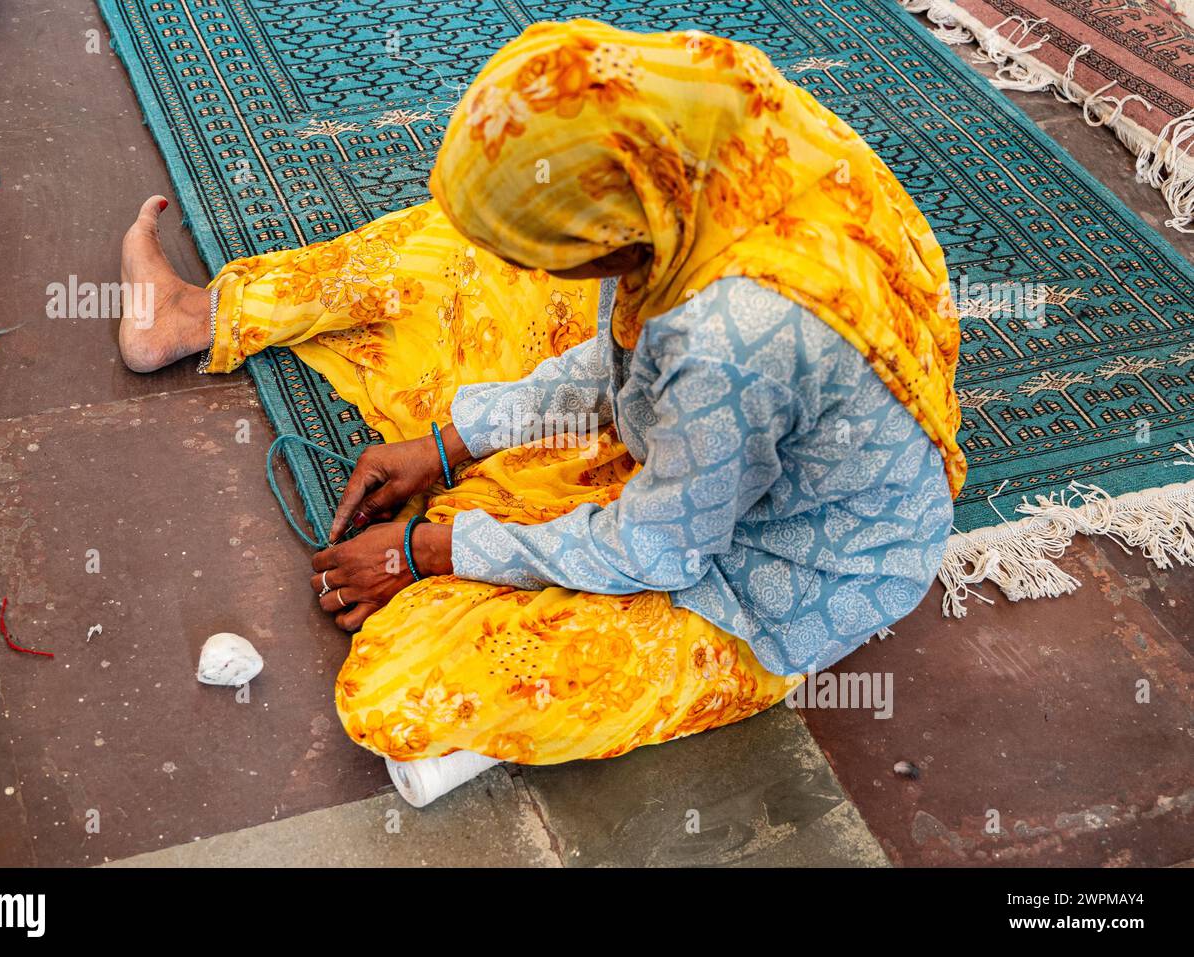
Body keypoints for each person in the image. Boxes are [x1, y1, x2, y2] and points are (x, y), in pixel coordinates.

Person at [117, 19, 963, 790]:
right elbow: (623, 351)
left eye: (564, 255)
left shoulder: (727, 339)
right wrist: (451, 445)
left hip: (768, 575)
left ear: (619, 238)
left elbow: (662, 551)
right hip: (712, 427)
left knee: (413, 683)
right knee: (459, 249)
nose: (551, 271)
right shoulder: (709, 120)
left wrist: (433, 550)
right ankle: (194, 316)